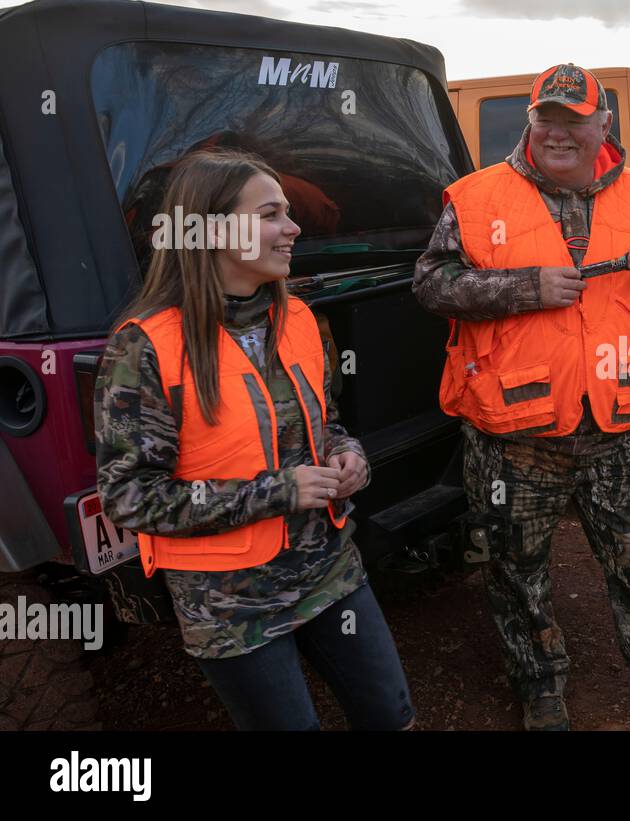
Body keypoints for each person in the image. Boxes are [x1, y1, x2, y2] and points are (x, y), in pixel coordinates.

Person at [413, 64, 630, 730]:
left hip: (613, 430)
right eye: (547, 118)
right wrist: (521, 288)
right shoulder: (476, 198)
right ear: (530, 121)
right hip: (512, 436)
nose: (559, 132)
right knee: (516, 571)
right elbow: (431, 283)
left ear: (602, 125)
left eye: (574, 119)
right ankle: (540, 689)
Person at [95, 148, 414, 731]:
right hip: (229, 606)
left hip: (329, 571)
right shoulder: (144, 347)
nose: (294, 228)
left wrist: (350, 457)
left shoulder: (299, 318)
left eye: (289, 212)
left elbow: (329, 424)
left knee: (389, 716)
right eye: (272, 214)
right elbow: (130, 498)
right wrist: (277, 492)